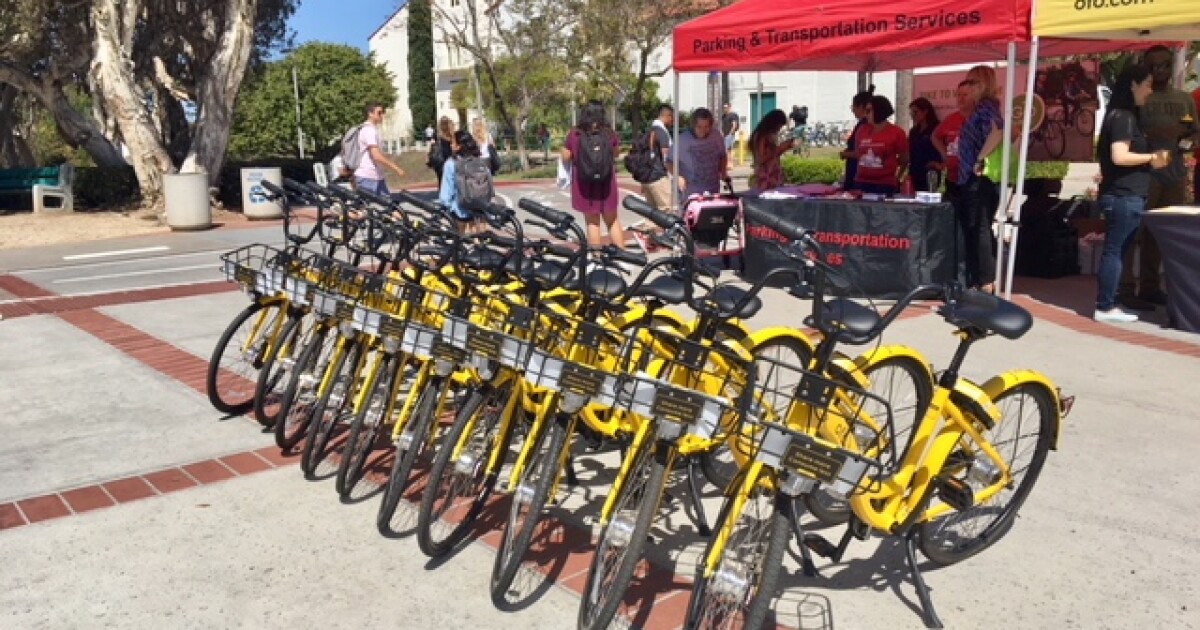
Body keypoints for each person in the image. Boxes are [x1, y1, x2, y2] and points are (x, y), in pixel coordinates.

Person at [1118, 45, 1200, 310]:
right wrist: (1156, 134)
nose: (1160, 70)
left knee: (1162, 233)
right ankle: (1125, 287)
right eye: (1153, 66)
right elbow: (1126, 133)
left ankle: (1150, 286)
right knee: (1134, 231)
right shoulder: (1141, 96)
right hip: (1144, 173)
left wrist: (1188, 140)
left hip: (1174, 173)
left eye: (1164, 64)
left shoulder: (1184, 99)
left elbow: (1195, 131)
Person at [1094, 65, 1171, 323]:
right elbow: (1119, 156)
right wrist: (1151, 157)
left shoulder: (1123, 116)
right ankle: (1105, 305)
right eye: (1147, 84)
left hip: (1126, 194)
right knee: (1116, 251)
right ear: (1132, 85)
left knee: (1118, 250)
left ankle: (1109, 302)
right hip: (1123, 195)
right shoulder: (1123, 117)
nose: (1150, 90)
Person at [956, 65, 1006, 294]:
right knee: (979, 228)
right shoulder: (985, 109)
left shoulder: (986, 109)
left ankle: (986, 281)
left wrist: (980, 159)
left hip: (979, 177)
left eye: (972, 83)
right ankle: (985, 279)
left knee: (980, 228)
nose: (967, 88)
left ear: (982, 85)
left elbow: (996, 134)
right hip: (975, 176)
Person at [563, 100, 625, 248]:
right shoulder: (609, 133)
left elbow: (566, 156)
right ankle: (622, 254)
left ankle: (596, 255)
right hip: (606, 182)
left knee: (592, 222)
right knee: (612, 220)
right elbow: (616, 153)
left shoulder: (575, 133)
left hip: (585, 184)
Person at [852, 95, 908, 196]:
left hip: (885, 184)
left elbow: (904, 158)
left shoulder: (897, 132)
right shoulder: (862, 130)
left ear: (879, 111)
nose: (865, 114)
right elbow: (858, 153)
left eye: (868, 111)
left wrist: (897, 175)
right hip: (861, 182)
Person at [439, 129, 487, 232]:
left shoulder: (451, 163)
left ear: (459, 146)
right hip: (479, 206)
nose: (451, 145)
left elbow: (446, 194)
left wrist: (445, 206)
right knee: (479, 237)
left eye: (453, 142)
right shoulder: (478, 160)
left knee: (459, 238)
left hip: (460, 209)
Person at [353, 102, 406, 195]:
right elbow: (376, 156)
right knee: (367, 204)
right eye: (379, 113)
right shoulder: (368, 130)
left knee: (388, 202)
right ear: (370, 114)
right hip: (367, 177)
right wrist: (396, 168)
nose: (382, 115)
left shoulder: (374, 130)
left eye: (383, 112)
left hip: (377, 176)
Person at [932, 80, 974, 200]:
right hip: (952, 177)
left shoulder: (980, 118)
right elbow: (935, 136)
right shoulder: (951, 118)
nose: (961, 99)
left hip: (973, 178)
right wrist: (945, 155)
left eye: (965, 95)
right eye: (958, 95)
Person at [676, 107, 729, 199]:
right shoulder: (683, 139)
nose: (703, 131)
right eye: (699, 127)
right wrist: (679, 176)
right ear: (693, 125)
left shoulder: (716, 136)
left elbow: (722, 155)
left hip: (712, 188)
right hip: (691, 191)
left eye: (706, 127)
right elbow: (669, 162)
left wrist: (723, 172)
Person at [640, 104, 675, 215]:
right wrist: (672, 175)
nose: (673, 121)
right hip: (659, 178)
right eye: (672, 117)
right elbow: (666, 156)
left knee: (651, 215)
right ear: (668, 116)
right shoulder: (662, 131)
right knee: (666, 213)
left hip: (647, 177)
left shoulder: (649, 130)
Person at [839, 85, 875, 190]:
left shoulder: (865, 126)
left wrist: (845, 154)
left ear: (861, 107)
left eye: (853, 107)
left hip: (859, 171)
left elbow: (863, 151)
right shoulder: (862, 124)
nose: (853, 110)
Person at [749, 109, 793, 192]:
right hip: (766, 178)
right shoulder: (761, 136)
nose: (779, 129)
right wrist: (780, 148)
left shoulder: (769, 135)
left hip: (773, 177)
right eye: (779, 126)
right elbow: (761, 158)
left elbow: (773, 155)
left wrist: (784, 148)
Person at [908, 98, 942, 193]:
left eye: (915, 112)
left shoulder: (937, 128)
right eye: (911, 113)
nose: (913, 115)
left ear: (925, 111)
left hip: (932, 172)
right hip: (915, 172)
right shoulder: (913, 131)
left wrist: (938, 164)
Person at [428, 116, 455, 187]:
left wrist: (429, 155)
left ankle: (442, 191)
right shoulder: (451, 134)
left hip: (439, 159)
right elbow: (454, 143)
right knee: (450, 178)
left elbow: (432, 144)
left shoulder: (436, 134)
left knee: (441, 179)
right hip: (448, 157)